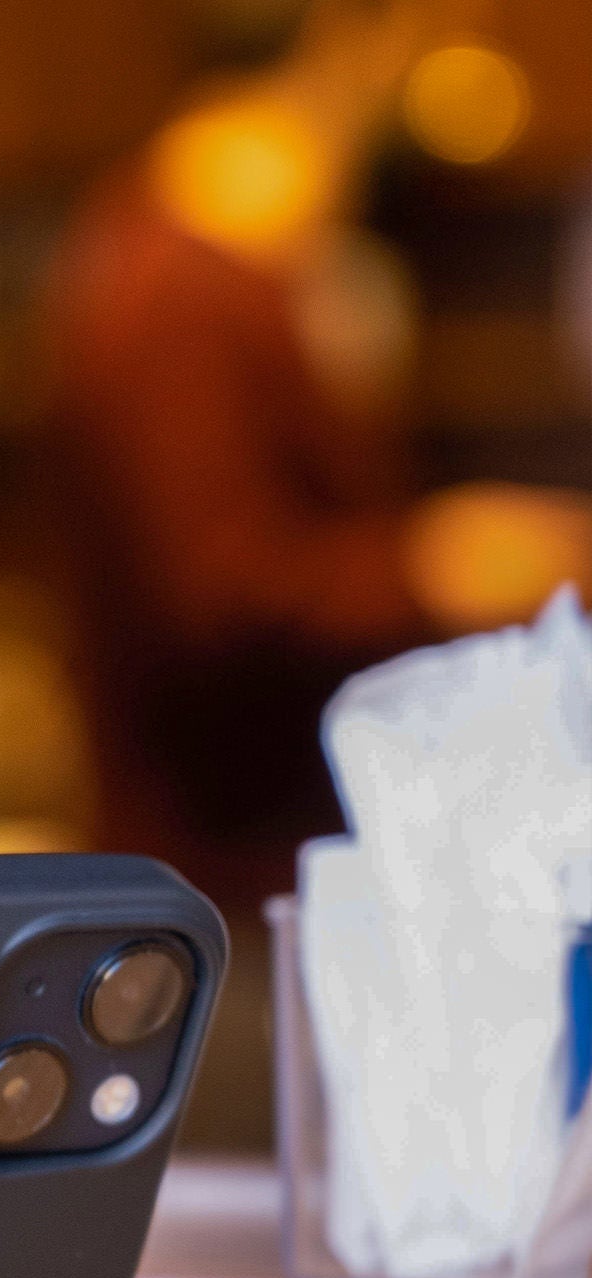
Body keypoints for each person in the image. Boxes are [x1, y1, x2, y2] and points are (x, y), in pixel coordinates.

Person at [46, 0, 592, 920]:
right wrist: (437, 566)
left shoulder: (274, 260)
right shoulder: (183, 285)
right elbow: (219, 594)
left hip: (272, 872)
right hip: (221, 888)